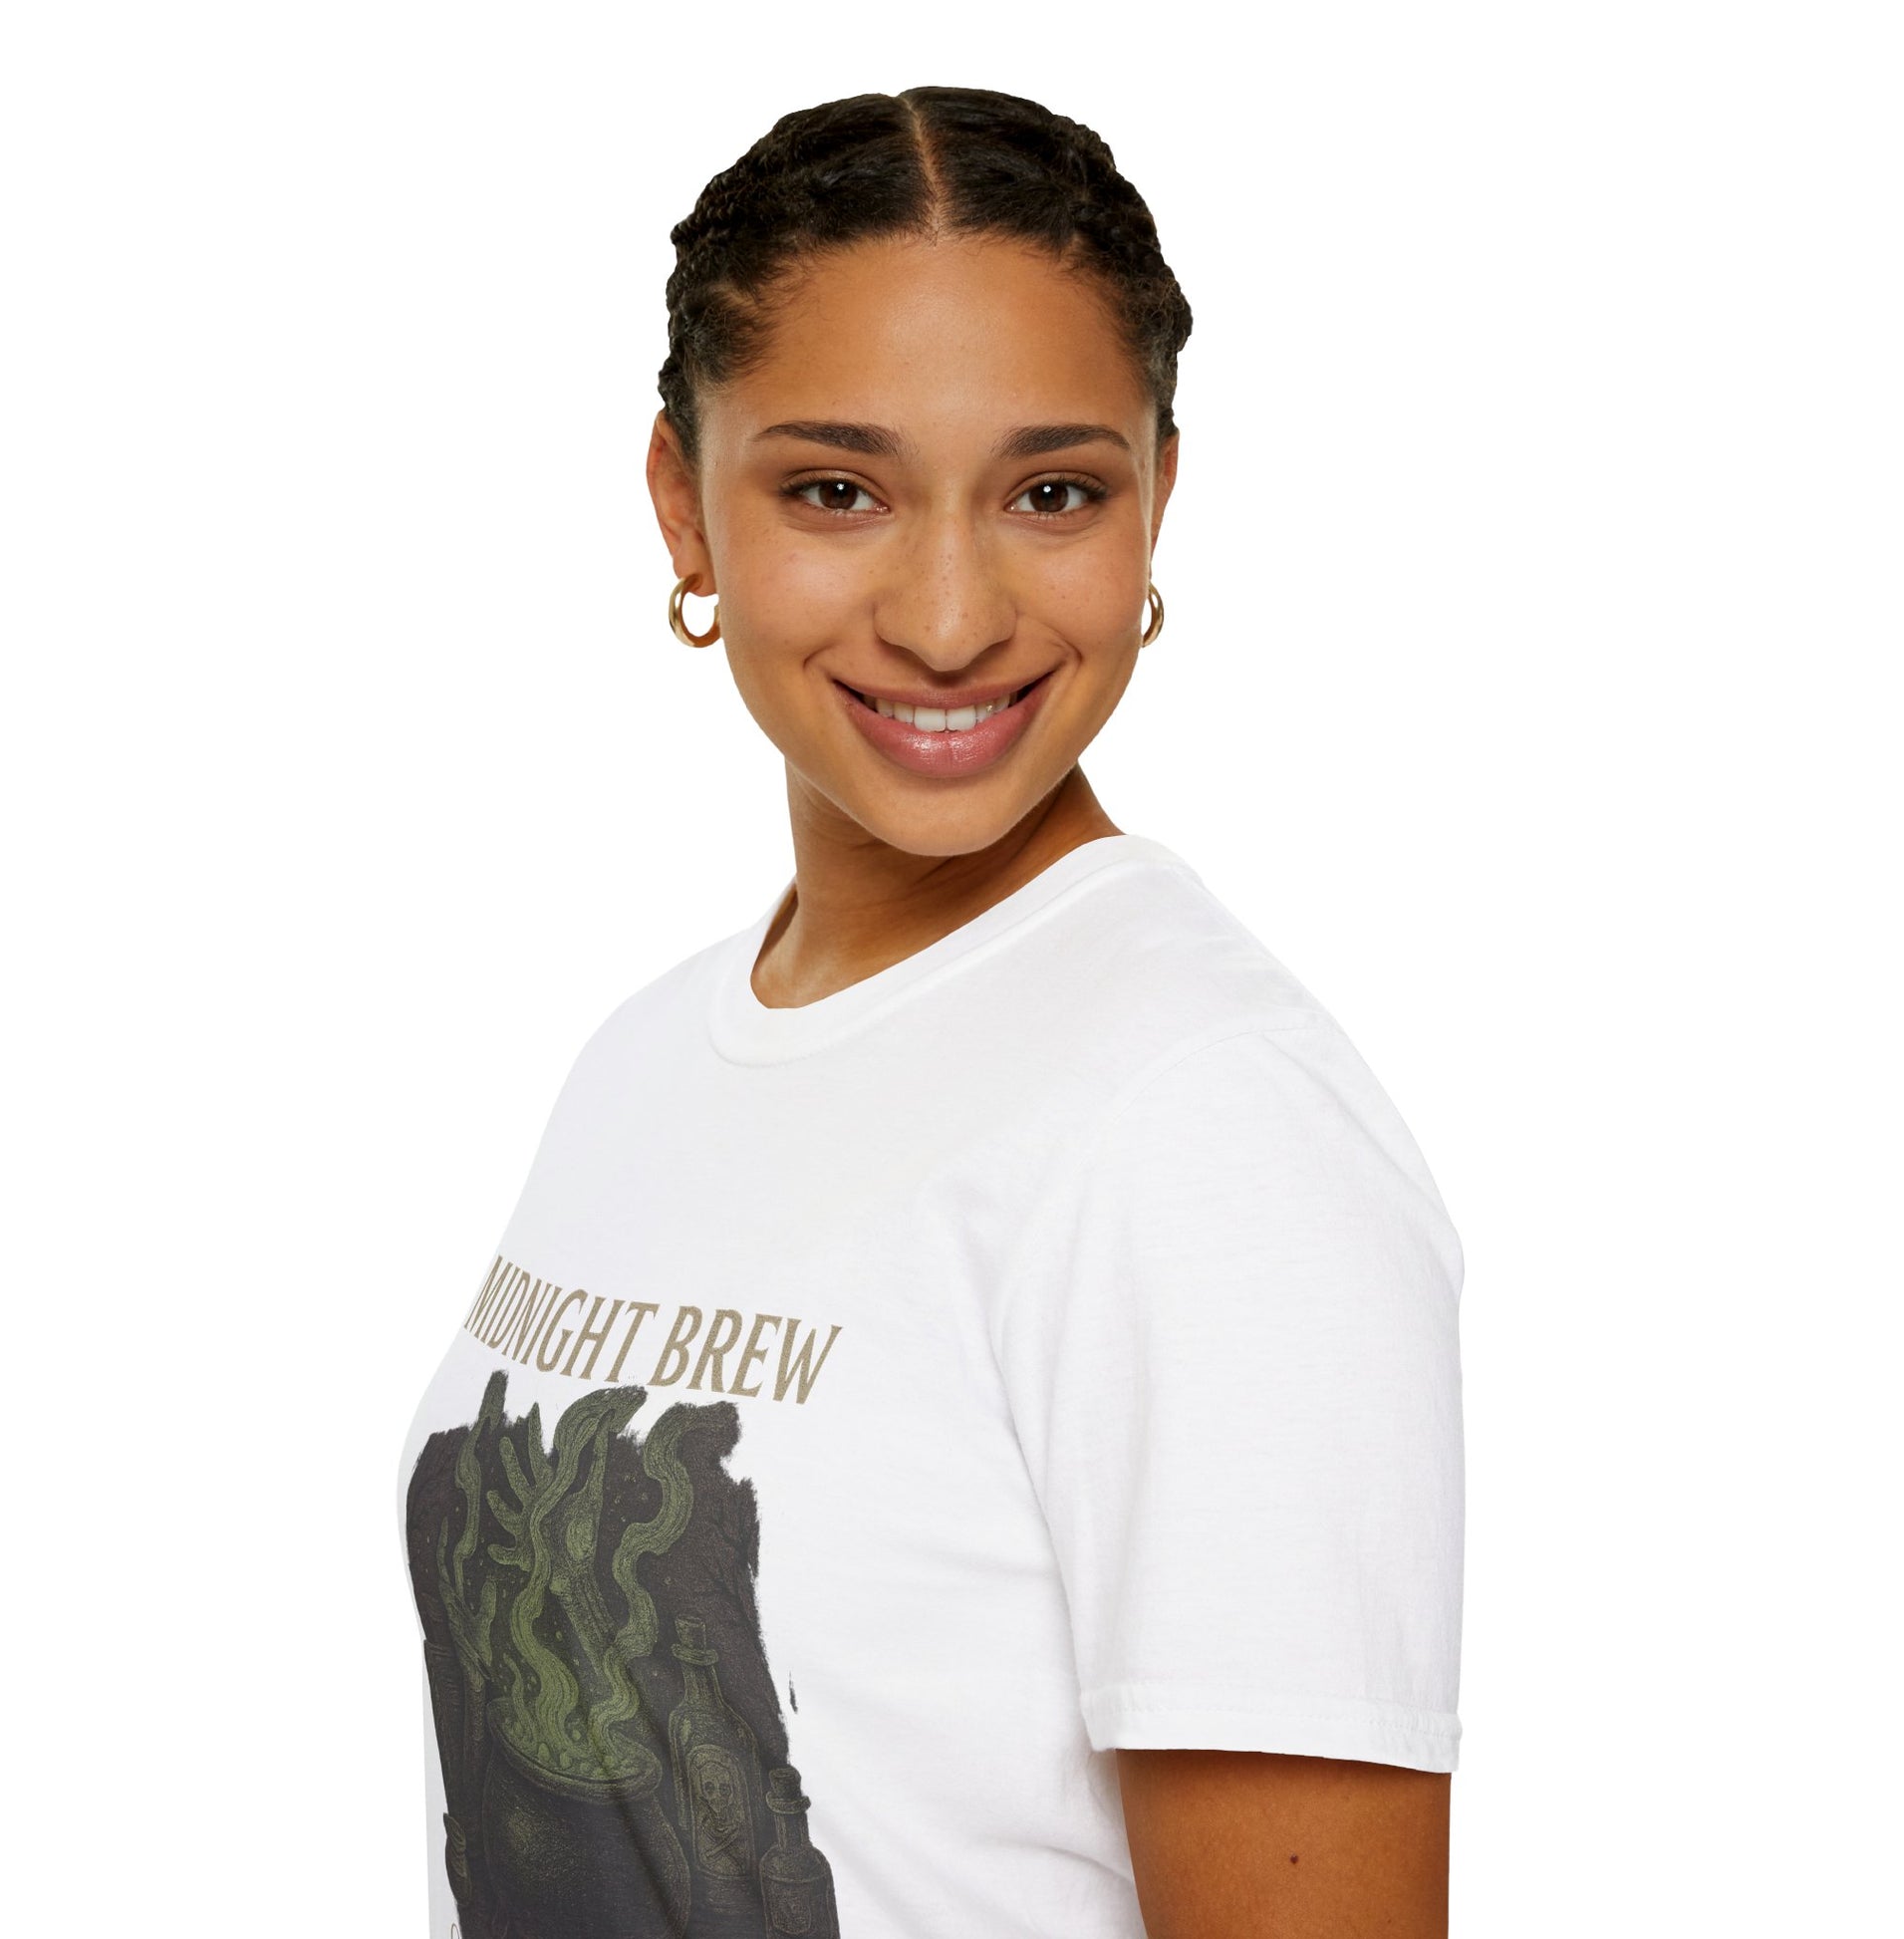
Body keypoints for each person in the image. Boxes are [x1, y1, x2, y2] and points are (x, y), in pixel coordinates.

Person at [398, 85, 1464, 1939]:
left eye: (1053, 492)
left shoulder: (1204, 1128)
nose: (952, 616)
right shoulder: (645, 1060)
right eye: (837, 489)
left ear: (1158, 498)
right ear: (682, 501)